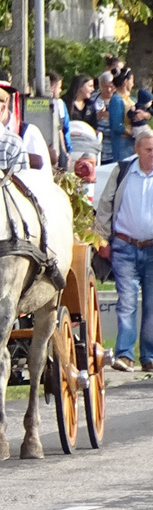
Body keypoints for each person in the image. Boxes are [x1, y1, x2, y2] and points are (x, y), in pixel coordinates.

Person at [94, 129, 153, 372]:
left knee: (152, 304)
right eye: (148, 150)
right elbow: (105, 204)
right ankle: (125, 355)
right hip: (124, 246)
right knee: (126, 301)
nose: (152, 154)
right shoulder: (123, 171)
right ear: (137, 149)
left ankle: (149, 357)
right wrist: (102, 238)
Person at [108, 69, 139, 163]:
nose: (133, 84)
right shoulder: (116, 100)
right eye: (131, 81)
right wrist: (132, 134)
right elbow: (116, 125)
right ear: (126, 81)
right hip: (122, 142)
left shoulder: (132, 99)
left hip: (133, 142)